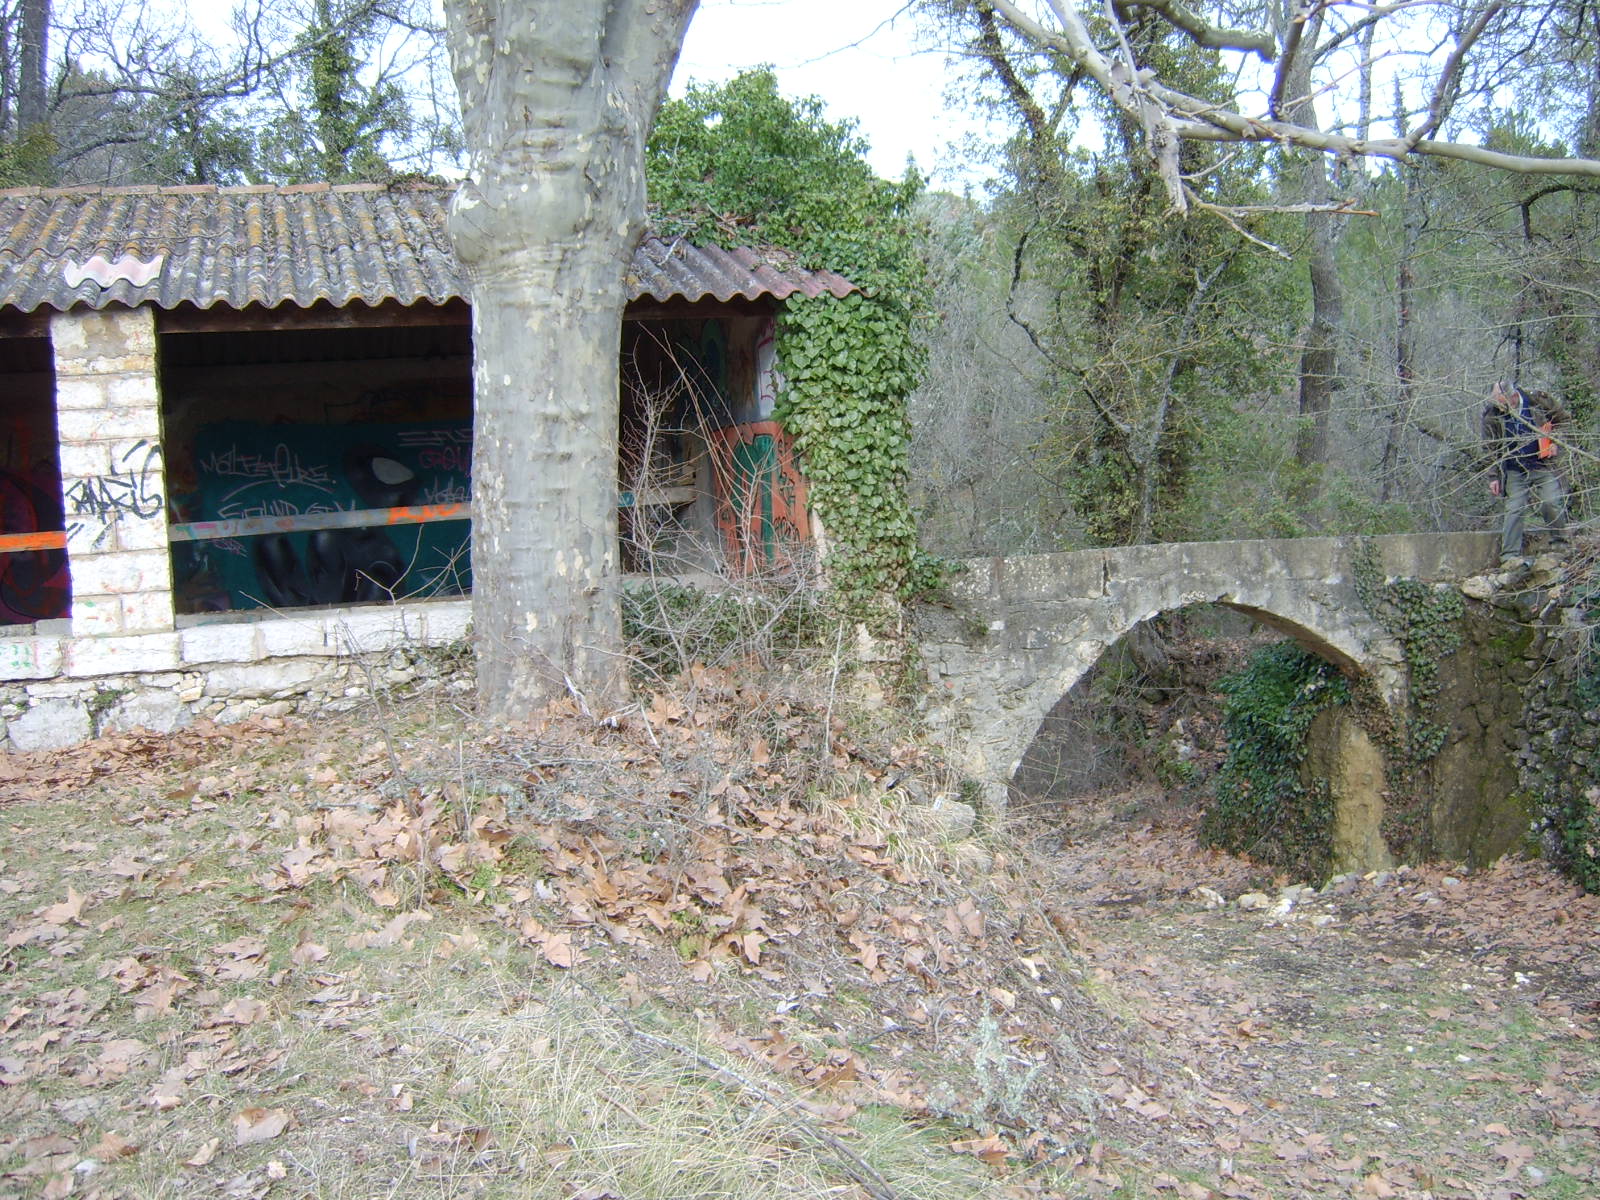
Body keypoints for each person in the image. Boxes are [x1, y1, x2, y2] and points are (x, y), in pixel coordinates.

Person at [1482, 379, 1571, 566]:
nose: (1498, 406)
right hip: (1514, 468)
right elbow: (1489, 449)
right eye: (1496, 402)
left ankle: (1560, 544)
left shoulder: (1537, 400)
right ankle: (1509, 557)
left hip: (1543, 464)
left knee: (1550, 502)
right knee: (1514, 509)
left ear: (1513, 397)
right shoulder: (1491, 415)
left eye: (1502, 402)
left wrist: (1556, 441)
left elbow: (1563, 420)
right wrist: (1493, 477)